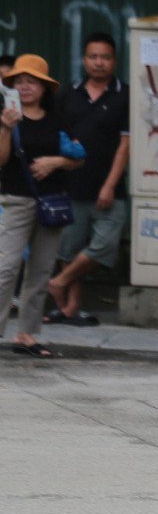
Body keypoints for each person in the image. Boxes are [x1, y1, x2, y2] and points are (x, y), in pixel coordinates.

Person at [45, 32, 129, 326]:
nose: (99, 63)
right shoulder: (68, 93)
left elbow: (125, 145)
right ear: (84, 59)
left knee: (105, 245)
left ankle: (60, 281)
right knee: (69, 248)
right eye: (93, 57)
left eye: (105, 57)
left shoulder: (124, 94)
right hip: (71, 185)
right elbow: (54, 134)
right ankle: (71, 307)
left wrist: (109, 184)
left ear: (115, 61)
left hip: (110, 188)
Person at [0, 54, 81, 358]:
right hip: (16, 199)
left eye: (31, 82)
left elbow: (78, 157)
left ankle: (26, 335)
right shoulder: (7, 117)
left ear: (44, 87)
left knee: (40, 270)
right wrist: (6, 128)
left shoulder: (57, 118)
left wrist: (55, 161)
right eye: (19, 81)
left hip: (52, 201)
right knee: (6, 267)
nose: (24, 87)